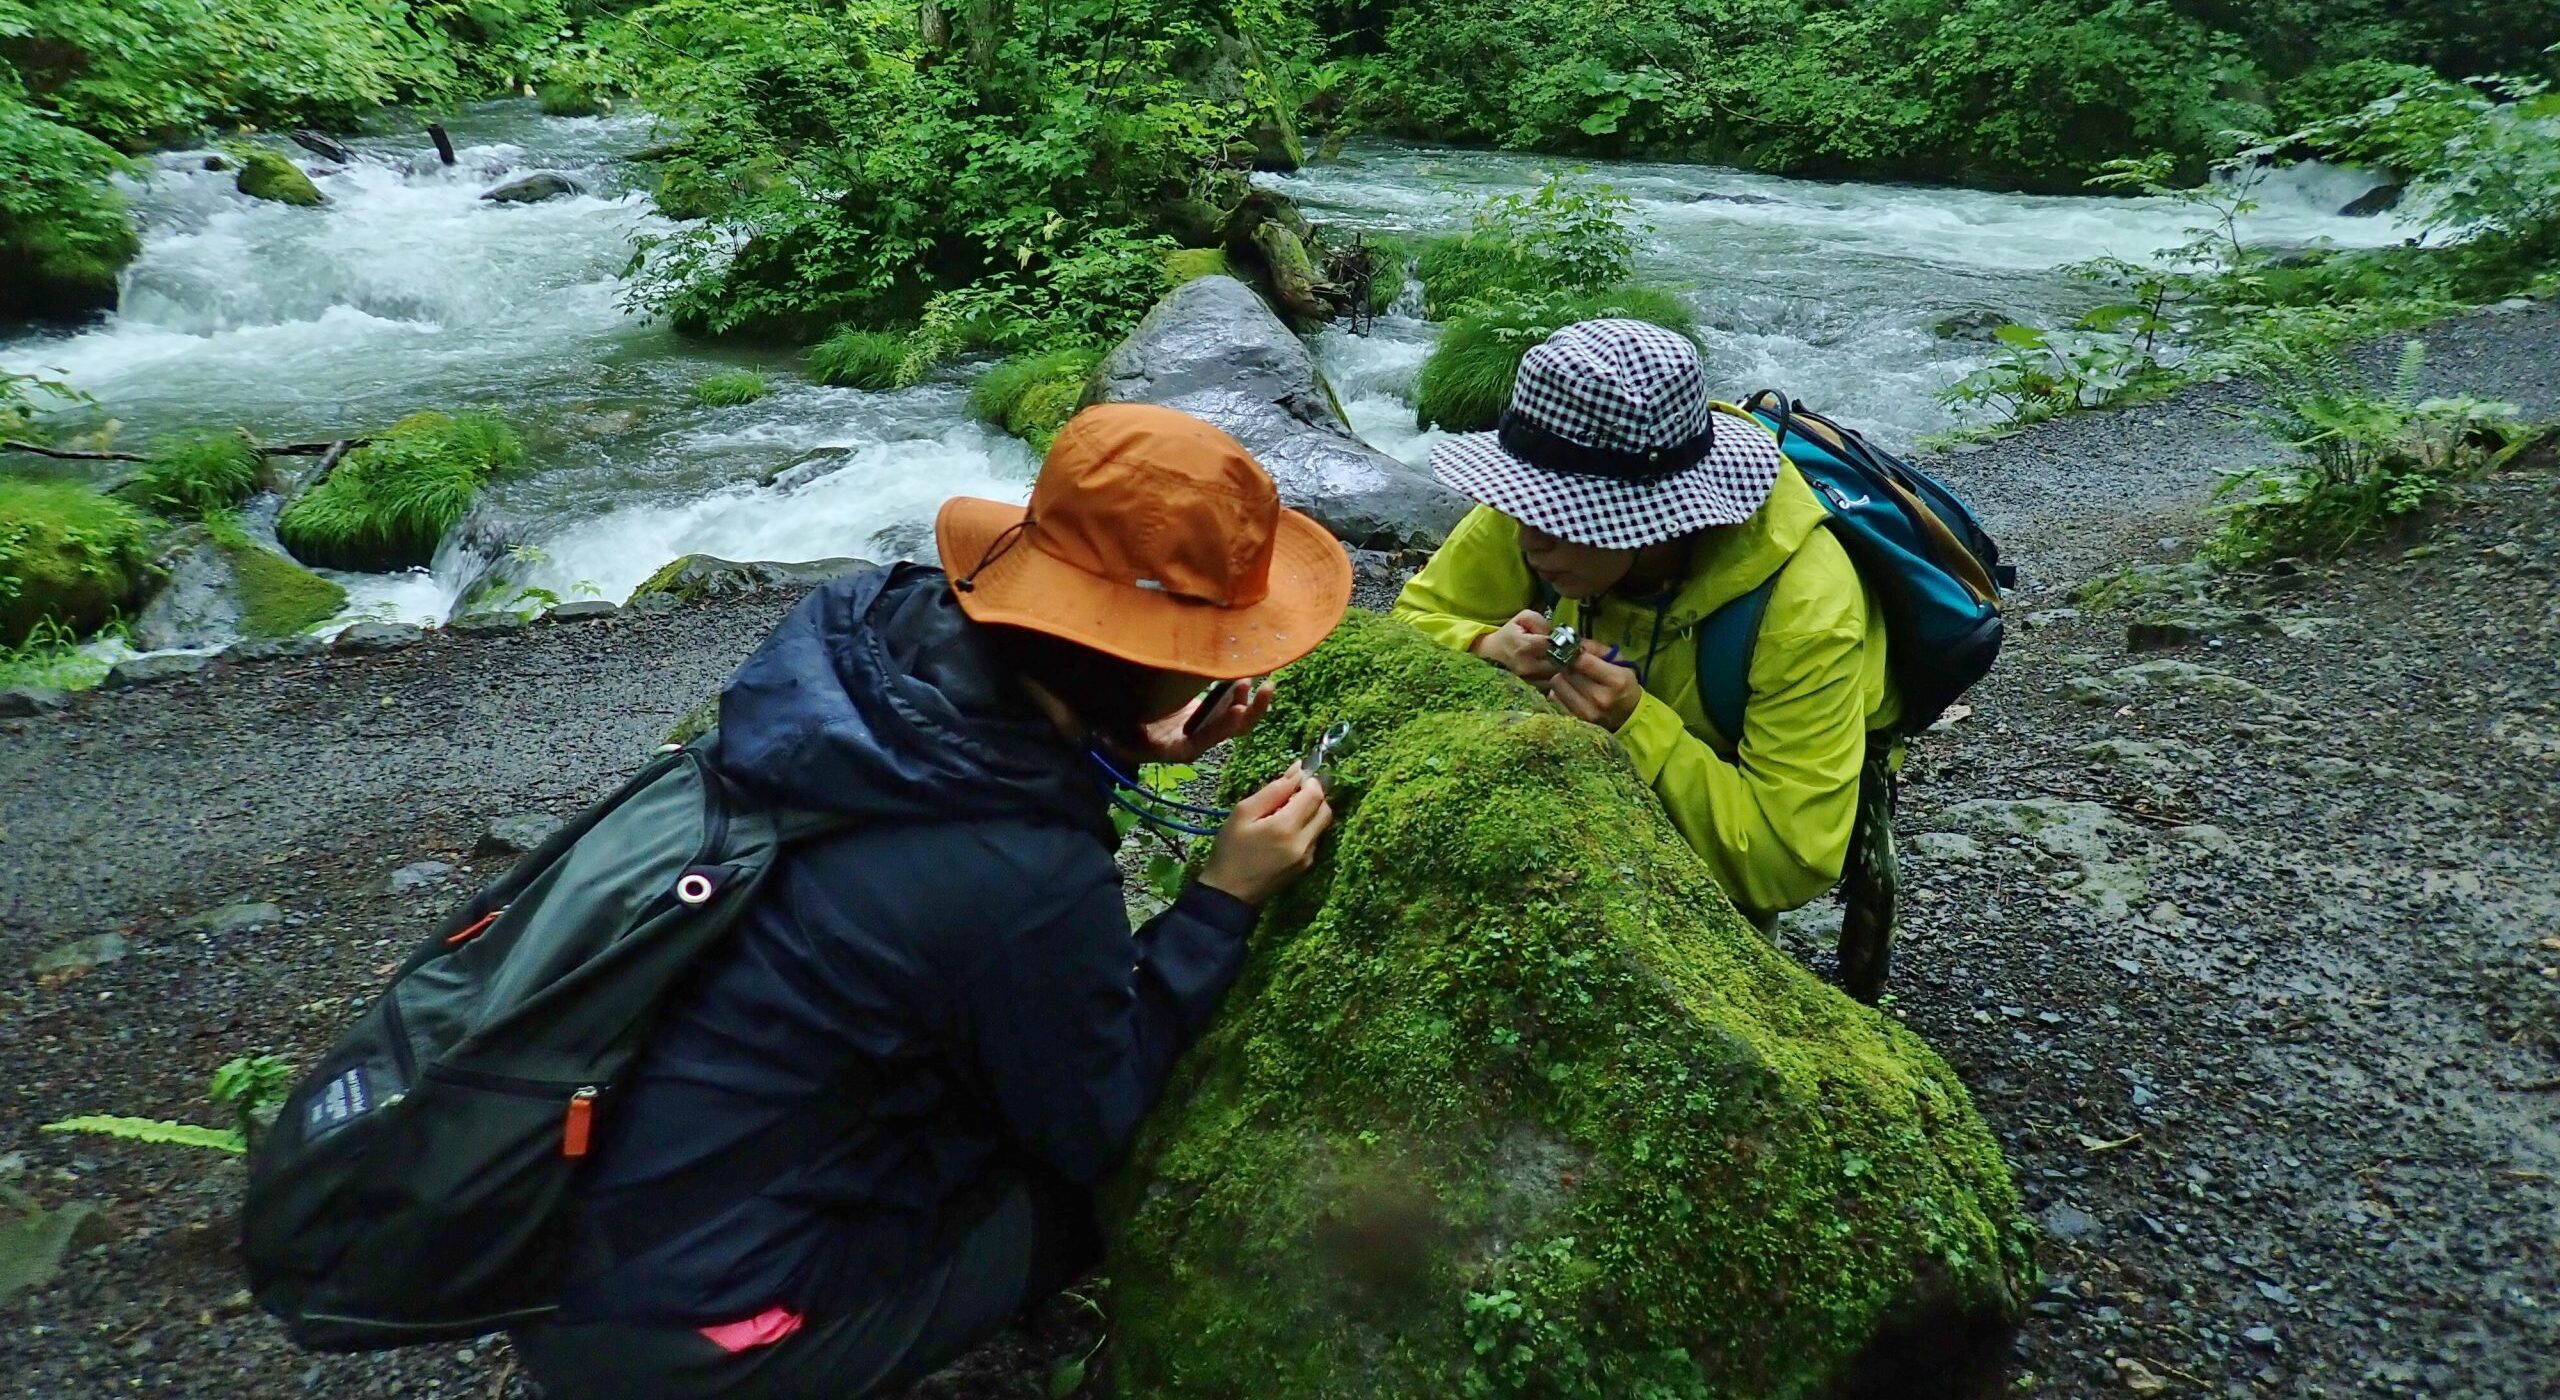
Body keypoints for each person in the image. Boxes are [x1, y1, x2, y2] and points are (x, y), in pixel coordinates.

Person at [507, 403, 1352, 1398]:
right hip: (678, 1330)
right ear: (1150, 650)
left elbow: (970, 811)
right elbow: (1096, 1113)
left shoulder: (870, 639)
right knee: (1082, 1193)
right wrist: (1221, 899)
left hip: (562, 1225)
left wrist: (1116, 741)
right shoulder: (1026, 868)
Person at [1392, 318, 1903, 993]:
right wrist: (1488, 645)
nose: (1523, 537)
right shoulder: (1546, 485)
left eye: (1558, 515)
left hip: (1750, 773)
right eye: (1517, 498)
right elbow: (1414, 622)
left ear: (1657, 515)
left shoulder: (1806, 608)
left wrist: (1636, 726)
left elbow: (1788, 860)